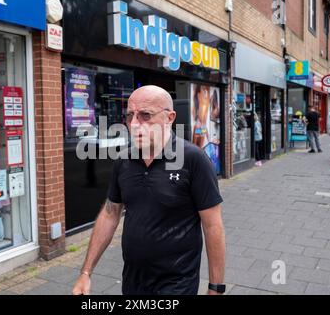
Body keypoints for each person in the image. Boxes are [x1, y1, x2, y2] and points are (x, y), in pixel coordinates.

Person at [72, 85, 226, 295]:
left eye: (145, 115)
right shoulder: (124, 160)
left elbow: (213, 226)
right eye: (130, 116)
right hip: (133, 281)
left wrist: (215, 287)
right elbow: (110, 214)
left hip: (176, 283)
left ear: (169, 118)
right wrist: (86, 272)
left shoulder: (193, 160)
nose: (134, 124)